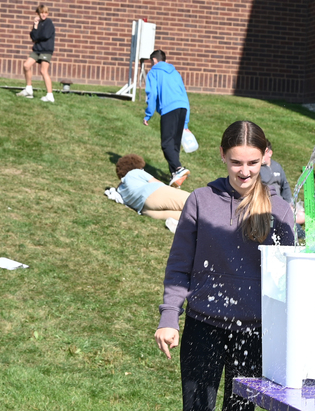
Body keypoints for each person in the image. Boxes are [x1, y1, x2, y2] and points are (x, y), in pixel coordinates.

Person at [155, 121, 296, 411]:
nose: (244, 171)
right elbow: (179, 264)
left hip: (254, 332)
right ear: (222, 154)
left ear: (265, 156)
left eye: (253, 162)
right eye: (236, 162)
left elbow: (288, 282)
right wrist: (169, 316)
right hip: (202, 325)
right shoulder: (200, 201)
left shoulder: (280, 211)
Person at [144, 49, 192, 188]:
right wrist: (186, 122)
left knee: (166, 143)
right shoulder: (175, 72)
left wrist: (148, 114)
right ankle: (175, 176)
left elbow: (152, 94)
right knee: (174, 144)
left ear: (154, 60)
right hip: (183, 108)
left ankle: (178, 168)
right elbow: (184, 94)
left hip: (169, 109)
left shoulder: (153, 72)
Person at [115, 154, 191, 225]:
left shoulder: (120, 189)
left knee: (187, 216)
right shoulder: (134, 172)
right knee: (193, 202)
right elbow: (155, 182)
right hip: (154, 192)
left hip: (144, 209)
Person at [17, 4, 56, 102]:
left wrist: (37, 35)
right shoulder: (38, 23)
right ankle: (28, 89)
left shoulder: (48, 22)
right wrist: (35, 25)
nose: (44, 14)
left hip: (46, 50)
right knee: (26, 65)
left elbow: (45, 35)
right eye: (42, 13)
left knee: (43, 71)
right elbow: (33, 37)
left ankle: (50, 95)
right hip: (37, 49)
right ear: (38, 13)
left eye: (45, 12)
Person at [259, 139, 292, 204]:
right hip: (265, 202)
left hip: (280, 201)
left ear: (270, 153)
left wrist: (288, 203)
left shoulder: (277, 166)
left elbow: (285, 185)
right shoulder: (258, 169)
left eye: (262, 153)